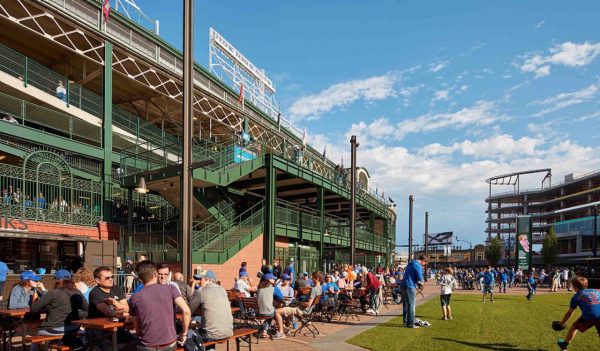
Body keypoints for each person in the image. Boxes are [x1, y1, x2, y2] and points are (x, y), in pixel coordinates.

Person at [129, 260, 191, 351]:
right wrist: (184, 334)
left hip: (147, 347)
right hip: (170, 345)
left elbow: (137, 329)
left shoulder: (134, 298)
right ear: (155, 274)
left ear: (140, 278)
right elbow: (186, 311)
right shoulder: (171, 289)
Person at [29, 271, 87, 351]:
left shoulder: (53, 293)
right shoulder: (77, 292)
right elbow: (87, 309)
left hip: (53, 329)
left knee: (37, 332)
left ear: (57, 280)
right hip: (74, 327)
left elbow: (34, 308)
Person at [88, 266, 136, 351]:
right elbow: (110, 313)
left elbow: (126, 308)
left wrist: (114, 302)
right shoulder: (95, 293)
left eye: (112, 277)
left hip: (116, 328)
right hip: (99, 330)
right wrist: (124, 313)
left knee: (135, 343)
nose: (111, 279)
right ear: (97, 280)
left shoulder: (116, 288)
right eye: (107, 278)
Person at [187, 270, 233, 349]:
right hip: (228, 331)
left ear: (209, 280)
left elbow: (188, 310)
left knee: (187, 336)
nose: (199, 282)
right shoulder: (222, 290)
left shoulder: (202, 290)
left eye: (201, 279)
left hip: (211, 334)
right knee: (208, 327)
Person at [556, 276, 600, 351]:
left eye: (572, 285)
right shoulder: (596, 291)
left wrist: (561, 323)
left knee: (574, 327)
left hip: (589, 316)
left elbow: (569, 313)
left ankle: (564, 346)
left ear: (575, 287)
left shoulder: (576, 296)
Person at [275, 272, 323, 339]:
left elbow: (308, 304)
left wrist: (298, 302)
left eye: (313, 278)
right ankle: (286, 328)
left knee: (277, 311)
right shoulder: (320, 289)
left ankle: (281, 332)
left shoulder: (314, 289)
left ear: (317, 279)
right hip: (308, 311)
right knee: (289, 306)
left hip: (302, 310)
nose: (311, 279)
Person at [400, 255, 427, 328]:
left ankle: (405, 322)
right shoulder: (418, 265)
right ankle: (411, 324)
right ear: (423, 261)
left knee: (405, 305)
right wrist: (421, 284)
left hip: (403, 285)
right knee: (411, 305)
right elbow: (420, 278)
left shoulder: (410, 263)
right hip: (410, 286)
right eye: (425, 263)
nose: (425, 265)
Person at [256, 273, 283, 338]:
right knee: (274, 311)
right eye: (273, 278)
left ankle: (264, 331)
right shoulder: (273, 287)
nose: (274, 280)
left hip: (259, 313)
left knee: (269, 311)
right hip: (268, 312)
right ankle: (281, 329)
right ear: (268, 280)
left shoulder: (259, 288)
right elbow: (281, 297)